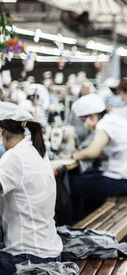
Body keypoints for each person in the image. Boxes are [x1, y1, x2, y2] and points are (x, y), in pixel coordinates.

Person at [0, 102, 62, 274]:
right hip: (49, 253)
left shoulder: (14, 157)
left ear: (1, 132)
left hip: (28, 259)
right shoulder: (35, 150)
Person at [70, 94, 127, 220]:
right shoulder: (112, 120)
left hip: (126, 181)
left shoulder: (104, 124)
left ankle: (76, 224)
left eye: (84, 121)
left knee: (72, 183)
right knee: (84, 179)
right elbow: (104, 155)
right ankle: (85, 219)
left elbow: (93, 152)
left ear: (93, 117)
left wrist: (73, 155)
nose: (85, 125)